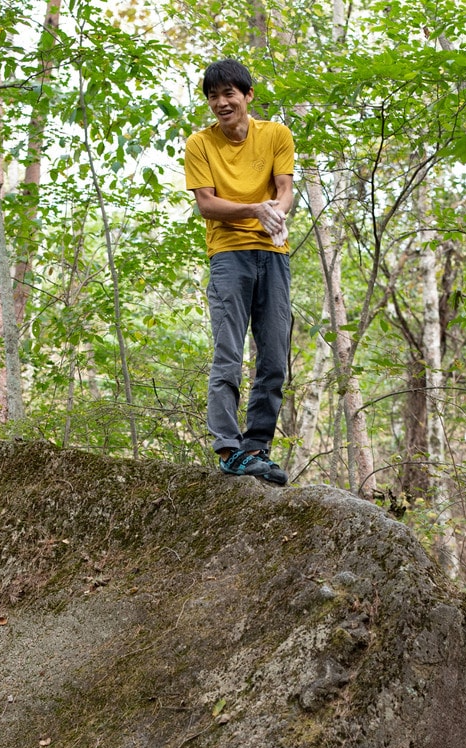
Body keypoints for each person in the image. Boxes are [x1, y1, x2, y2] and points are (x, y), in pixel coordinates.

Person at [185, 58, 294, 486]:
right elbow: (206, 204)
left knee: (272, 357)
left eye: (229, 93)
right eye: (213, 96)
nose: (221, 103)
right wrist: (254, 209)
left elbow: (284, 191)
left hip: (274, 253)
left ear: (247, 96)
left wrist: (276, 214)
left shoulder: (277, 135)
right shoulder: (200, 144)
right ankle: (229, 451)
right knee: (228, 354)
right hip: (229, 255)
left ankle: (256, 449)